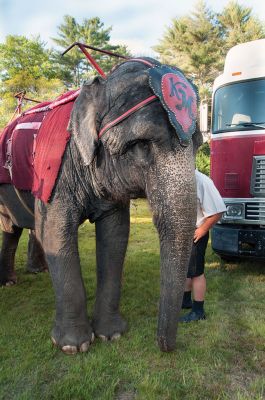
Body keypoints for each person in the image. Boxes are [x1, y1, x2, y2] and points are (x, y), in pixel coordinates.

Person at [179, 169, 226, 322]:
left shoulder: (202, 181)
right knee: (186, 270)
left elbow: (219, 210)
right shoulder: (180, 178)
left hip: (196, 233)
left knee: (196, 273)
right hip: (184, 233)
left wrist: (202, 230)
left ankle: (198, 312)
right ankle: (185, 301)